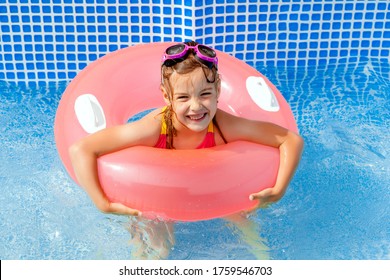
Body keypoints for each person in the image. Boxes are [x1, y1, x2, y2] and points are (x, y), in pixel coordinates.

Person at [69, 41, 304, 259]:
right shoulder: (154, 128)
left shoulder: (224, 125)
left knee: (248, 228)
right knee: (157, 245)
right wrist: (101, 202)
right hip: (157, 199)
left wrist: (279, 189)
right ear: (166, 96)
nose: (196, 106)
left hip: (217, 193)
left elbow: (290, 140)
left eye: (205, 94)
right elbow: (82, 149)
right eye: (183, 97)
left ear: (219, 90)